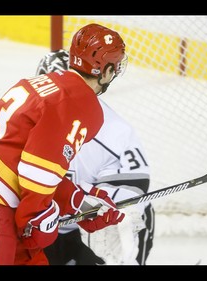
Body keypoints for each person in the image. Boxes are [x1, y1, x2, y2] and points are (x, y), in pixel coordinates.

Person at [0, 23, 128, 265]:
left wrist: (77, 199)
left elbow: (35, 158)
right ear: (106, 70)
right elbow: (39, 169)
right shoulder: (82, 103)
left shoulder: (47, 82)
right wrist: (35, 216)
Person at [36, 50, 155, 265]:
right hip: (41, 229)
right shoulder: (27, 119)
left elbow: (132, 192)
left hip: (84, 231)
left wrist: (109, 213)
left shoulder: (113, 132)